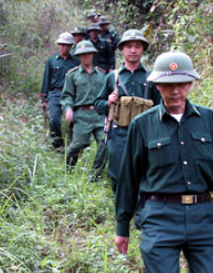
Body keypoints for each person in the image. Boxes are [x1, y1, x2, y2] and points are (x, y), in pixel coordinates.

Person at [114, 51, 213, 273]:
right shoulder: (143, 125)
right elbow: (129, 178)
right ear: (157, 85)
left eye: (181, 83)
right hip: (160, 218)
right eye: (168, 85)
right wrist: (122, 226)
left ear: (190, 83)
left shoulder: (208, 119)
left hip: (202, 217)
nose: (175, 90)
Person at [94, 29, 162, 192]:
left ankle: (140, 212)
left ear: (143, 50)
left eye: (138, 46)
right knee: (117, 175)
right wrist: (108, 101)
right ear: (122, 49)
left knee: (144, 176)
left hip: (146, 136)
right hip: (118, 136)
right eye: (129, 46)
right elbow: (97, 104)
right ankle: (121, 213)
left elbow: (161, 108)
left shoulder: (152, 77)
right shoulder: (113, 77)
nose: (133, 50)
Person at [61, 41, 107, 180]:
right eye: (82, 55)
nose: (86, 57)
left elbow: (107, 94)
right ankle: (68, 170)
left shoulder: (102, 75)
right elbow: (67, 96)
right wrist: (68, 109)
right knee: (78, 145)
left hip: (99, 115)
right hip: (81, 115)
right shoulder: (72, 75)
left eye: (88, 54)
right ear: (79, 57)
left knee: (105, 143)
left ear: (92, 54)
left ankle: (94, 175)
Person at [40, 32, 80, 151]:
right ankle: (59, 145)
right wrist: (44, 98)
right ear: (58, 45)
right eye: (62, 45)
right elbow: (46, 79)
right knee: (54, 119)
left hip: (72, 94)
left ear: (72, 46)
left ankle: (74, 145)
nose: (65, 47)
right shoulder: (51, 61)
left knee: (75, 119)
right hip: (55, 94)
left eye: (68, 45)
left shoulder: (76, 61)